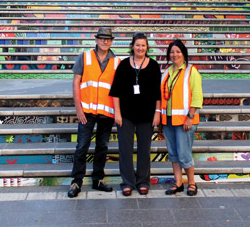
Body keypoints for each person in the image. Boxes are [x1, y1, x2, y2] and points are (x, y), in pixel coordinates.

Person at [68, 27, 121, 198]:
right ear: (96, 39)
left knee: (102, 147)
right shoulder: (84, 57)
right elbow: (76, 83)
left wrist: (117, 112)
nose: (105, 41)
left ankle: (98, 179)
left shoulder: (116, 62)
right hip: (87, 111)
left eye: (108, 39)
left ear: (112, 41)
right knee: (82, 146)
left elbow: (118, 90)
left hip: (106, 112)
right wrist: (78, 109)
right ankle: (76, 181)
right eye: (102, 38)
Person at [109, 33, 161, 196]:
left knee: (144, 149)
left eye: (143, 45)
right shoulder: (124, 65)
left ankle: (143, 181)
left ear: (147, 47)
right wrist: (117, 113)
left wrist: (157, 112)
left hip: (147, 115)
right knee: (125, 149)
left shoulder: (153, 66)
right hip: (126, 115)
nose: (140, 48)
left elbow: (158, 93)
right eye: (138, 45)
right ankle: (127, 182)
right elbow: (115, 91)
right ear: (132, 46)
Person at [160, 39, 203, 196]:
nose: (174, 54)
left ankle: (191, 183)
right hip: (169, 119)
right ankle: (178, 183)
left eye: (178, 51)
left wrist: (190, 116)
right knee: (173, 153)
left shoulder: (191, 71)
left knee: (184, 153)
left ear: (184, 54)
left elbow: (197, 96)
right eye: (172, 52)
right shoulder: (166, 72)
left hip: (185, 120)